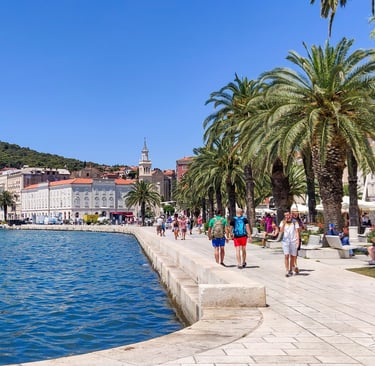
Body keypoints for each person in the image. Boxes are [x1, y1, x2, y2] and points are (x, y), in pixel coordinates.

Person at [279, 211, 300, 277]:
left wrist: (298, 240)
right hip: (285, 241)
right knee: (286, 255)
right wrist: (284, 224)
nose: (287, 217)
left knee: (293, 256)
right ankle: (287, 270)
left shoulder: (294, 222)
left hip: (293, 241)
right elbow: (281, 231)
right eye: (285, 215)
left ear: (290, 215)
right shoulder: (282, 222)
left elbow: (297, 232)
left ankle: (291, 269)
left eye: (288, 215)